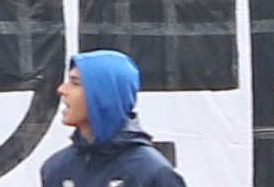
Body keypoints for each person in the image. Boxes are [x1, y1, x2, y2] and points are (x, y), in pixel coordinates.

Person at [41, 52, 176, 187]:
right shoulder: (55, 168)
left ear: (105, 95)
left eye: (75, 83)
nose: (62, 89)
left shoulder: (151, 172)